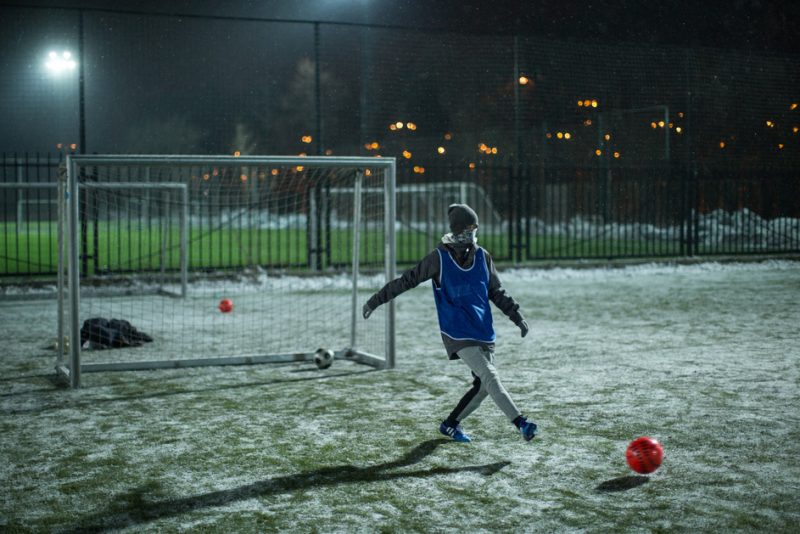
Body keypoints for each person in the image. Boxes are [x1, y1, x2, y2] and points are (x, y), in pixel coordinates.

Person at [362, 203, 537, 443]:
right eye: (468, 228)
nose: (473, 233)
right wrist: (375, 301)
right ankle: (521, 423)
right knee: (491, 377)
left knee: (483, 387)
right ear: (458, 231)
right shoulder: (439, 259)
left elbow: (496, 292)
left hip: (483, 330)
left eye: (475, 228)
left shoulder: (483, 256)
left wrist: (517, 316)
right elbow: (406, 281)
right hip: (457, 332)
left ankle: (450, 424)